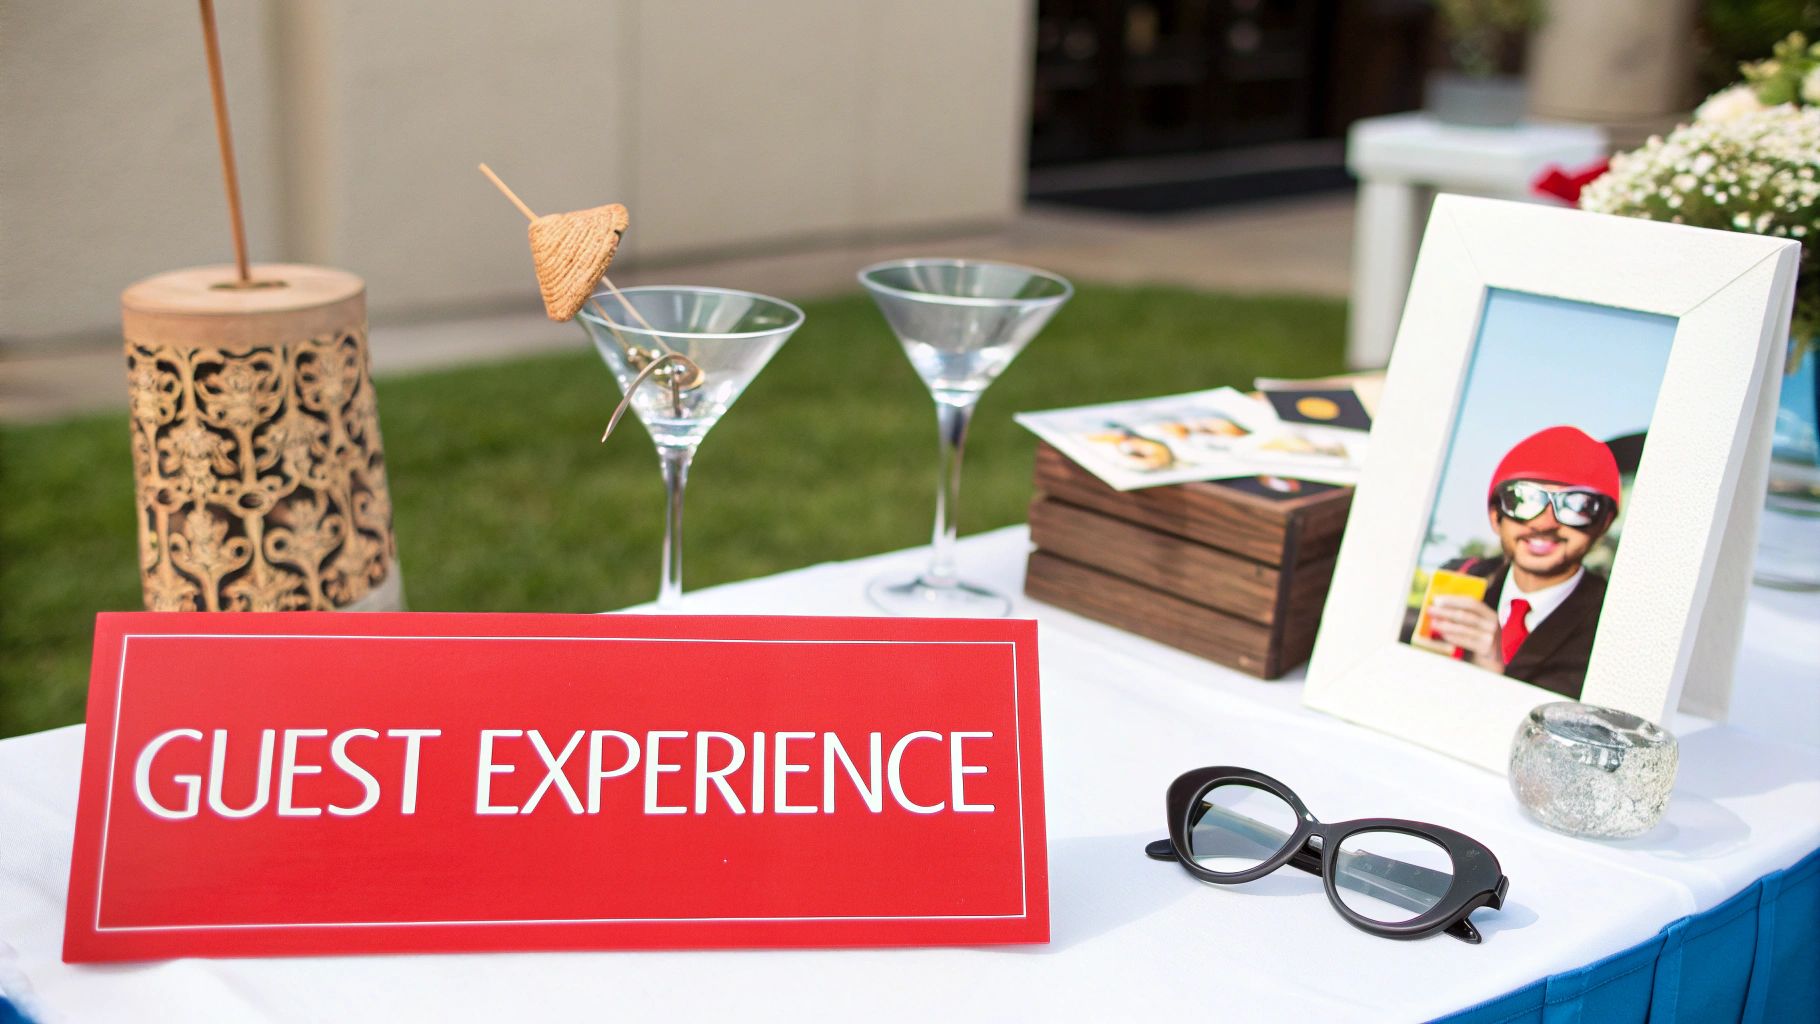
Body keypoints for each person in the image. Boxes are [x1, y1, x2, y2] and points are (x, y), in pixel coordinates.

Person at [1424, 426, 1621, 699]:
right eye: (1523, 499)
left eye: (1577, 505)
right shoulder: (1462, 576)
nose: (1544, 522)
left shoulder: (1616, 626)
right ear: (1495, 516)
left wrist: (1494, 670)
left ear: (1604, 524)